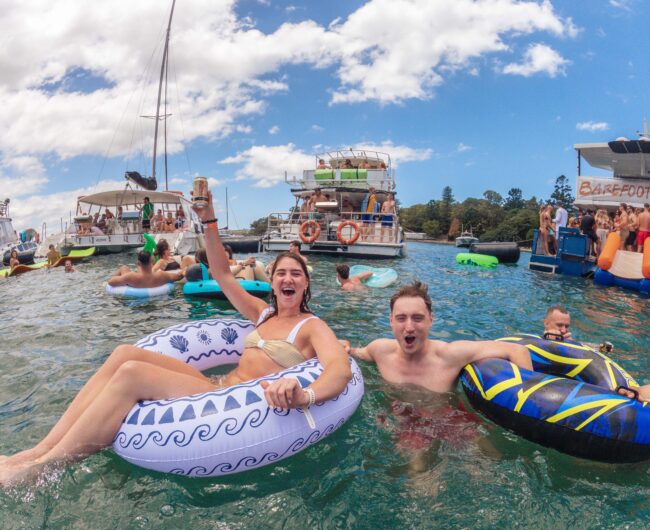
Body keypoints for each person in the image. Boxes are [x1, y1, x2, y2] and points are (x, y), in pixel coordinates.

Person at [0, 192, 351, 487]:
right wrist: (209, 219)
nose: (287, 279)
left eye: (296, 274)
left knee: (132, 375)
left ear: (305, 284)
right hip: (214, 386)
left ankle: (44, 469)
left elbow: (339, 371)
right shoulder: (263, 314)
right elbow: (223, 275)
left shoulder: (310, 326)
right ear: (272, 282)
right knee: (124, 352)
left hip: (232, 402)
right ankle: (37, 450)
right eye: (281, 274)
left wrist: (305, 394)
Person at [339, 281, 532, 392]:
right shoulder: (380, 349)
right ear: (391, 321)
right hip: (396, 421)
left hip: (444, 424)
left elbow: (517, 349)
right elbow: (356, 353)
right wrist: (345, 348)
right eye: (401, 318)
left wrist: (525, 401)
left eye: (417, 318)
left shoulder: (450, 355)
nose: (409, 327)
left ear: (431, 320)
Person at [108, 250, 183, 289]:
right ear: (152, 261)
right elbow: (178, 277)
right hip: (156, 299)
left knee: (124, 268)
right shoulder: (161, 275)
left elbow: (110, 282)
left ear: (138, 263)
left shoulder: (131, 277)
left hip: (136, 294)